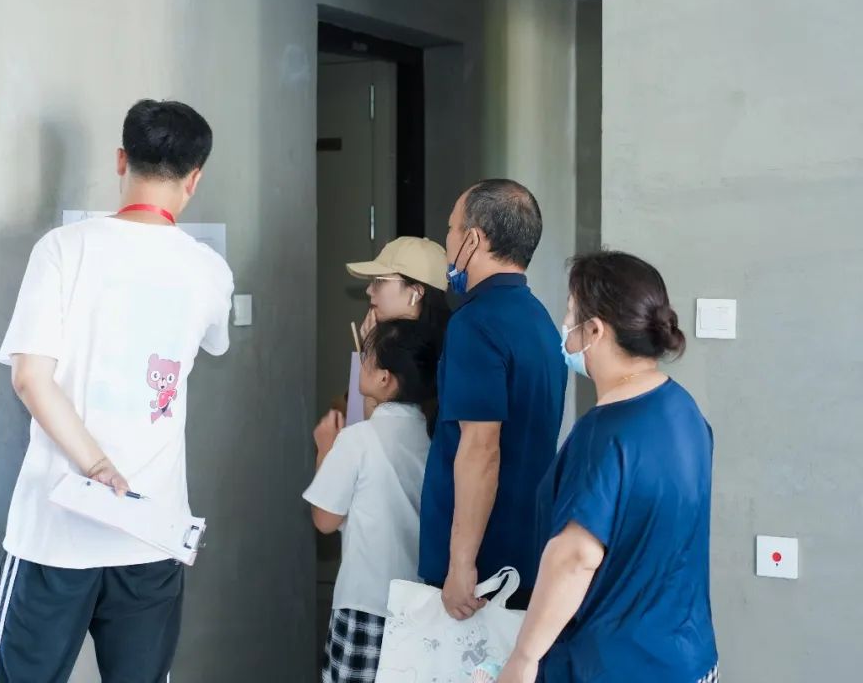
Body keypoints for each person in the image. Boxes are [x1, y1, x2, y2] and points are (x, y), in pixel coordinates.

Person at [0, 100, 233, 683]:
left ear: (122, 160)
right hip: (152, 530)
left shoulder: (62, 249)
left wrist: (96, 464)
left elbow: (30, 377)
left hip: (55, 531)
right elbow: (214, 342)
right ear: (195, 178)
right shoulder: (208, 270)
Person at [495, 251, 718, 683]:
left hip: (614, 666)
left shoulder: (605, 435)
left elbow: (576, 556)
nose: (565, 326)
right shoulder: (684, 409)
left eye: (570, 313)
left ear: (595, 330)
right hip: (690, 661)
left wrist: (523, 658)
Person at [420, 179, 567, 619]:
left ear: (473, 239)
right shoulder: (539, 320)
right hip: (526, 547)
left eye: (451, 229)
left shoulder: (476, 324)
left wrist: (461, 564)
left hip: (482, 567)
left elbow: (481, 448)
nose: (447, 242)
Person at [305, 318, 441, 683]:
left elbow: (324, 519)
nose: (360, 362)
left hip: (364, 603)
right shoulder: (433, 441)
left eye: (366, 357)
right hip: (419, 604)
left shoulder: (357, 440)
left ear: (384, 379)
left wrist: (325, 449)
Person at [340, 237, 450, 423]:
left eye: (379, 281)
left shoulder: (445, 356)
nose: (369, 290)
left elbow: (376, 431)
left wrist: (370, 351)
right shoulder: (383, 342)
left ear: (416, 292)